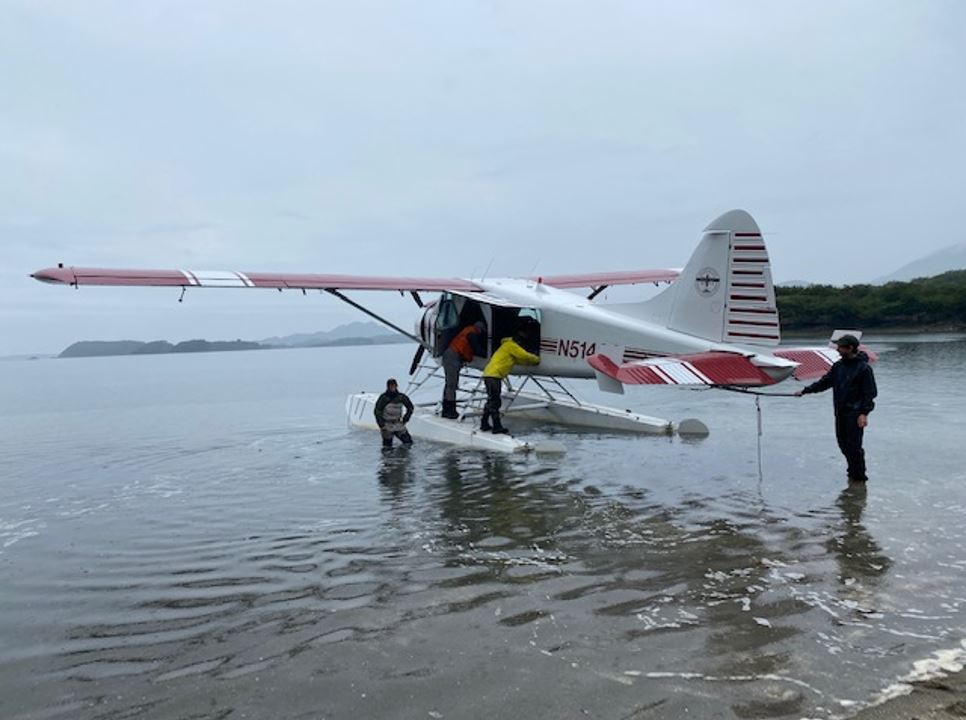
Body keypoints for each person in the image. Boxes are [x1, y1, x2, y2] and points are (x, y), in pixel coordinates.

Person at [796, 334, 877, 482]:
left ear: (850, 348)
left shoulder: (864, 369)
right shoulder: (838, 366)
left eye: (840, 347)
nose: (837, 349)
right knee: (843, 445)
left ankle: (859, 478)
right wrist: (805, 390)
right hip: (840, 412)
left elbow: (870, 393)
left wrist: (864, 413)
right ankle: (852, 474)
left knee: (854, 447)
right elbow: (825, 382)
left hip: (855, 413)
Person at [480, 324, 540, 434]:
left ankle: (484, 423)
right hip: (494, 376)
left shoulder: (507, 348)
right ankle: (497, 426)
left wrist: (529, 362)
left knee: (491, 400)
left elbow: (518, 360)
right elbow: (524, 355)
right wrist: (536, 359)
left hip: (490, 374)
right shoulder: (511, 346)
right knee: (495, 401)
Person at [440, 321, 486, 419]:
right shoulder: (472, 334)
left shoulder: (468, 330)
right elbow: (477, 349)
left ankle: (446, 409)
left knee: (449, 383)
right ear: (480, 329)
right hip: (453, 357)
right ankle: (450, 411)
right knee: (452, 384)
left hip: (451, 356)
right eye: (482, 331)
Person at [374, 378, 414, 449]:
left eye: (394, 386)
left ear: (396, 386)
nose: (392, 388)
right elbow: (377, 411)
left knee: (408, 442)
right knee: (387, 447)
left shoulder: (401, 397)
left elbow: (410, 407)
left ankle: (403, 458)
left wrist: (405, 419)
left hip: (398, 424)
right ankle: (388, 459)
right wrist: (381, 425)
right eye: (391, 386)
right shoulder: (383, 398)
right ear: (388, 387)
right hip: (387, 425)